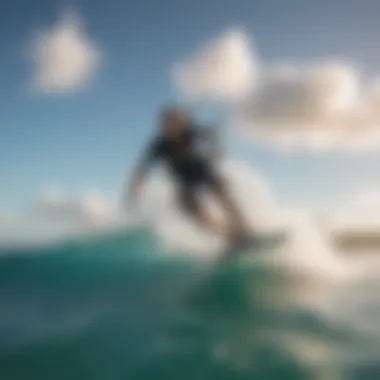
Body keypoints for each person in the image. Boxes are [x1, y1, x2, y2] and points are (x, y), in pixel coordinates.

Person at [125, 106, 251, 247]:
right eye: (168, 125)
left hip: (202, 169)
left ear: (183, 123)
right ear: (163, 127)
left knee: (222, 190)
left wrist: (217, 149)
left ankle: (246, 230)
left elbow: (210, 132)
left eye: (177, 123)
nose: (172, 129)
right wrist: (134, 191)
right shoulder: (159, 145)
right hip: (184, 179)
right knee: (188, 208)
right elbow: (142, 170)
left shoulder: (191, 131)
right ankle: (229, 233)